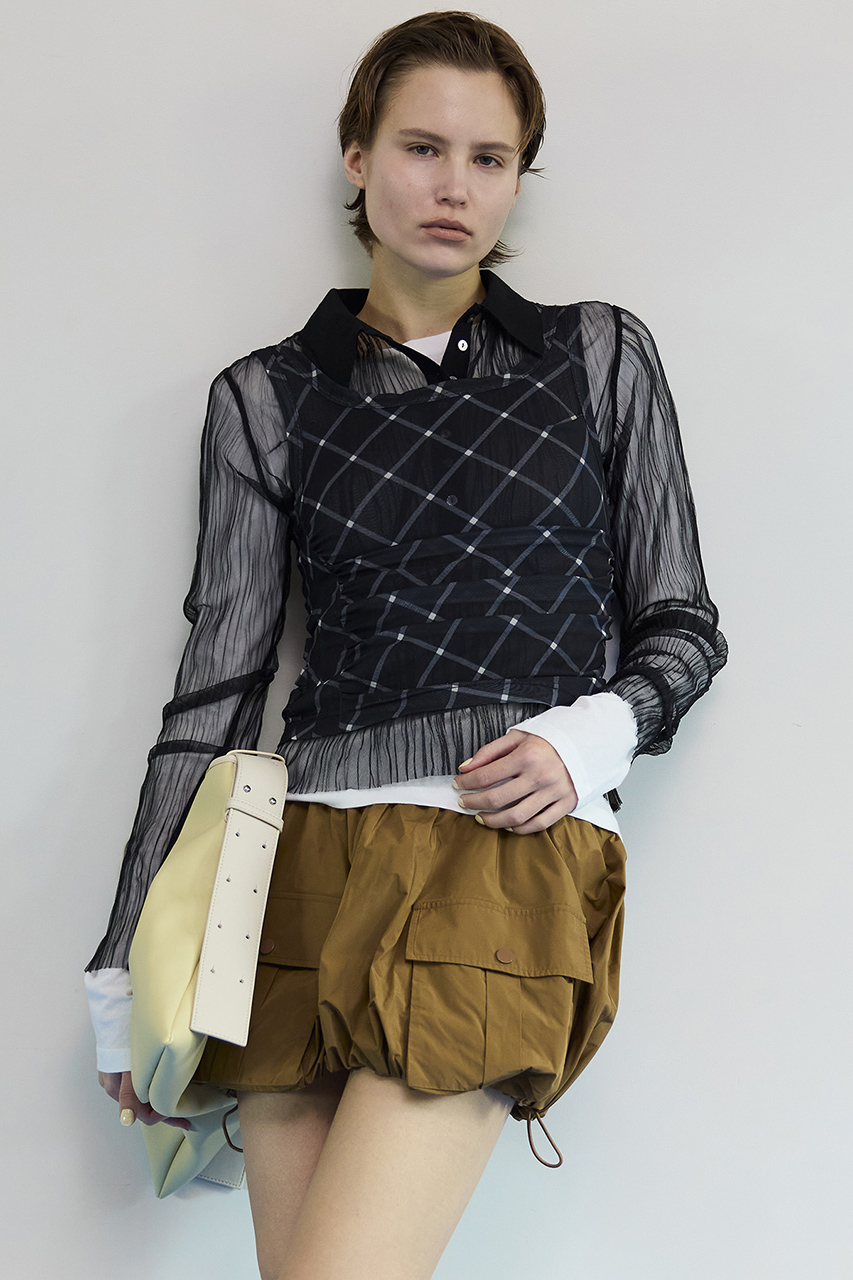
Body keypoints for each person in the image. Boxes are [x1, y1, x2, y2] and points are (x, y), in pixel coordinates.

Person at [85, 11, 727, 1279]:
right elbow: (215, 690)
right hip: (297, 873)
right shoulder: (265, 396)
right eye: (422, 147)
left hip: (500, 853)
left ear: (519, 177)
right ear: (357, 156)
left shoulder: (594, 354)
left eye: (490, 159)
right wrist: (123, 970)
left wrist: (587, 736)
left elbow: (683, 624)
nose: (454, 185)